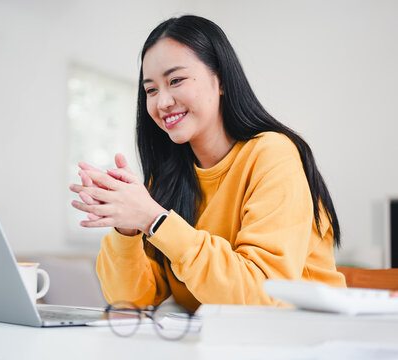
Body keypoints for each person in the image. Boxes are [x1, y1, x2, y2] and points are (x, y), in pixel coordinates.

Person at [69, 15, 346, 312]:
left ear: (222, 80)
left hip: (300, 340)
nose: (162, 103)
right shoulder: (169, 177)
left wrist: (155, 220)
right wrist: (128, 229)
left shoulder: (273, 154)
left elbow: (262, 295)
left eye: (176, 80)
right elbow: (130, 300)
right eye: (150, 90)